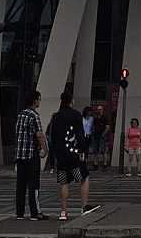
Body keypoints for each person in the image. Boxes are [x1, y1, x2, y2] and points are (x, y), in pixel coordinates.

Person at [48, 91, 100, 222]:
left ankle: (63, 212)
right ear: (71, 101)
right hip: (74, 155)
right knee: (84, 177)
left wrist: (55, 153)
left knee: (64, 182)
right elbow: (80, 135)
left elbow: (52, 136)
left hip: (61, 155)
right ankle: (84, 206)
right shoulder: (76, 115)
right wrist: (83, 151)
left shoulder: (56, 116)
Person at [15, 90, 48, 220]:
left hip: (20, 155)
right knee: (33, 185)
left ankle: (20, 213)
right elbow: (39, 134)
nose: (40, 102)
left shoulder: (21, 115)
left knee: (21, 185)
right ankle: (35, 213)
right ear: (35, 101)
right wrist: (45, 149)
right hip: (31, 154)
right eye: (39, 99)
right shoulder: (34, 116)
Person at [92, 104, 109, 170]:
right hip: (96, 136)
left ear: (102, 110)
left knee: (103, 150)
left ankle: (104, 165)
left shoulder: (105, 118)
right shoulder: (95, 118)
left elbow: (107, 127)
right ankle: (95, 165)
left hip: (102, 136)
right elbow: (93, 126)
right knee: (95, 151)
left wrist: (103, 135)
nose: (99, 110)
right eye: (98, 109)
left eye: (100, 109)